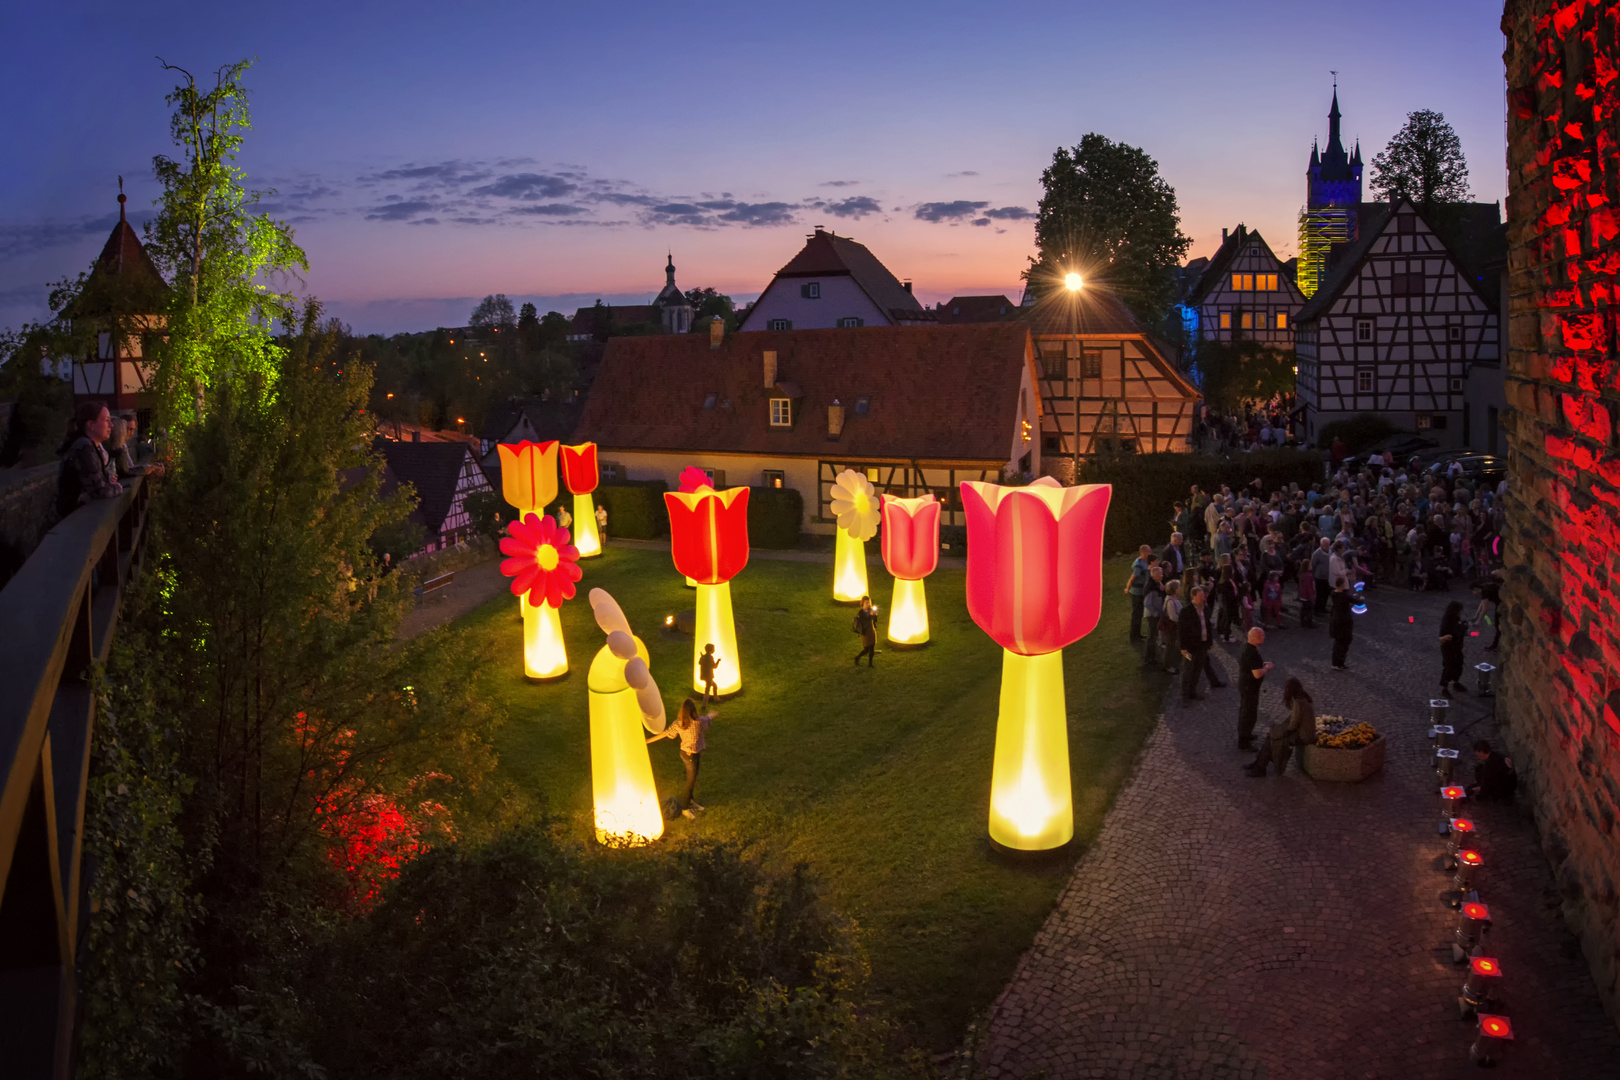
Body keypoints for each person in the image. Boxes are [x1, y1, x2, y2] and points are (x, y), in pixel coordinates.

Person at [646, 698, 717, 817]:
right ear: (693, 710)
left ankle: (690, 801)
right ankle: (685, 808)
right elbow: (708, 719)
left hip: (685, 754)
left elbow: (666, 734)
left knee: (691, 779)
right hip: (691, 756)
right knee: (690, 782)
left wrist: (649, 741)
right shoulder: (698, 721)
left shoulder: (679, 723)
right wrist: (712, 714)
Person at [56, 399, 123, 519]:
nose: (111, 425)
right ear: (91, 425)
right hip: (71, 523)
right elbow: (100, 491)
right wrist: (118, 487)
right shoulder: (84, 447)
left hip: (74, 519)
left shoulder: (87, 445)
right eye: (107, 420)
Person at [1248, 677, 1315, 777]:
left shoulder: (1298, 703)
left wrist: (1275, 731)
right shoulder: (1303, 699)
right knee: (1272, 735)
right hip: (1304, 732)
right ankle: (1259, 763)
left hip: (1303, 736)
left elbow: (1292, 725)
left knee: (1273, 737)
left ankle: (1260, 766)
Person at [1178, 585, 1226, 705]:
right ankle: (1184, 696)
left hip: (1202, 645)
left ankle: (1192, 692)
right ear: (1193, 596)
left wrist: (1209, 642)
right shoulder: (1186, 611)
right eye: (1200, 597)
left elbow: (1208, 627)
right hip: (1190, 647)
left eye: (1203, 596)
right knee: (1188, 671)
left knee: (1198, 669)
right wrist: (1183, 648)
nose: (1203, 599)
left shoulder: (1205, 609)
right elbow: (1181, 631)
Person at [1236, 628, 1274, 751]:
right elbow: (1257, 674)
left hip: (1246, 685)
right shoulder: (1251, 652)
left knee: (1247, 712)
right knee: (1248, 714)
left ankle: (1246, 734)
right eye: (1262, 636)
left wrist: (1262, 665)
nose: (1264, 638)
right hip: (1249, 687)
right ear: (1256, 638)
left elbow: (1252, 666)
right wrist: (1267, 668)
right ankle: (1244, 741)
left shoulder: (1246, 647)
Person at [1124, 544, 1153, 643]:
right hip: (1137, 592)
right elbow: (1132, 578)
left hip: (1142, 591)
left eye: (1150, 551)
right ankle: (1134, 637)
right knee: (1137, 614)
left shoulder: (1146, 562)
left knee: (1140, 614)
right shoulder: (1138, 564)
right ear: (1143, 553)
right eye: (1148, 552)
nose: (1150, 553)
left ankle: (1138, 634)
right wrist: (1127, 588)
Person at [1439, 601, 1468, 696]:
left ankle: (1456, 682)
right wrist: (1446, 637)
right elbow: (1440, 638)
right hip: (1448, 648)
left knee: (1458, 664)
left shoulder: (1457, 619)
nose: (1461, 612)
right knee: (1448, 667)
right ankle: (1445, 688)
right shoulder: (1446, 622)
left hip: (1457, 647)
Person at [1141, 563, 1166, 668]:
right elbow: (1147, 603)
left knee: (1154, 636)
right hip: (1152, 616)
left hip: (1155, 614)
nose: (1162, 576)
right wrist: (1156, 613)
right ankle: (1149, 660)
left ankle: (1153, 658)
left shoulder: (1156, 583)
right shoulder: (1151, 587)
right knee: (1152, 636)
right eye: (1160, 574)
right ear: (1154, 575)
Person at [1472, 571, 1503, 651]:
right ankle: (1496, 644)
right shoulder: (1485, 588)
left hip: (1501, 604)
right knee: (1498, 625)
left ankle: (1495, 645)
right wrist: (1476, 616)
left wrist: (1479, 621)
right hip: (1500, 602)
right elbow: (1482, 604)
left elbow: (1485, 608)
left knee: (1497, 625)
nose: (1474, 593)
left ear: (1476, 589)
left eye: (1473, 591)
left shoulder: (1485, 591)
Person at [1328, 579, 1354, 670]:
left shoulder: (1333, 594)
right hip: (1344, 623)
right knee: (1344, 644)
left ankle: (1335, 663)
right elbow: (1356, 601)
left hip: (1335, 621)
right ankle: (1340, 663)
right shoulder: (1344, 596)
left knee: (1337, 644)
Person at [1160, 579, 1183, 676]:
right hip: (1171, 628)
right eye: (1178, 587)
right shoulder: (1170, 601)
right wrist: (1182, 620)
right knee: (1170, 646)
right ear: (1174, 589)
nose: (1180, 589)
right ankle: (1167, 666)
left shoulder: (1174, 599)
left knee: (1175, 644)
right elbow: (1172, 616)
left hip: (1175, 627)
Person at [852, 595, 877, 666]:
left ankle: (870, 664)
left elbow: (875, 620)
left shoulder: (870, 610)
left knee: (872, 648)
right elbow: (865, 622)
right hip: (865, 633)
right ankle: (857, 657)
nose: (868, 604)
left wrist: (875, 615)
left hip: (872, 631)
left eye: (869, 602)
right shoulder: (861, 613)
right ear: (863, 603)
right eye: (866, 603)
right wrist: (870, 616)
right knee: (866, 649)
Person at [1310, 537, 1332, 614]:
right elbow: (1313, 564)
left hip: (1327, 576)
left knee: (1326, 593)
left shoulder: (1330, 552)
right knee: (1319, 594)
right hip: (1319, 577)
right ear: (1321, 545)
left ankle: (1323, 607)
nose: (1327, 546)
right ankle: (1317, 609)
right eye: (1325, 545)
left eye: (1328, 545)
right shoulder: (1317, 554)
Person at [1296, 558, 1316, 628]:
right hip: (1307, 596)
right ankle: (1309, 622)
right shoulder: (1308, 576)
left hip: (1303, 595)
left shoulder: (1302, 574)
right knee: (1309, 609)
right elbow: (1309, 588)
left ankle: (1303, 621)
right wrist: (1312, 597)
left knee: (1304, 609)